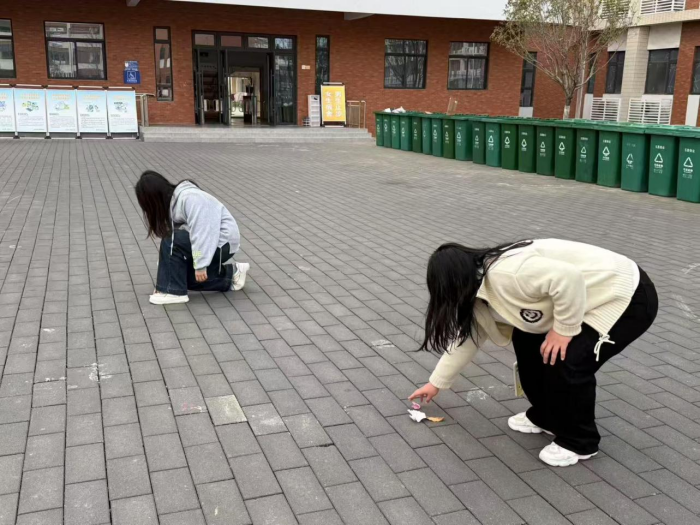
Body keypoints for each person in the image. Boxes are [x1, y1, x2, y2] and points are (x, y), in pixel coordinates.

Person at [408, 239, 657, 467]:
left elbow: (568, 278)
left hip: (623, 294)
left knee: (569, 360)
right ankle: (547, 417)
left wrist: (563, 330)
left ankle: (581, 441)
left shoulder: (508, 273)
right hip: (578, 296)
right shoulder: (477, 291)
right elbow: (467, 339)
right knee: (527, 343)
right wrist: (435, 383)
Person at [135, 170, 249, 305]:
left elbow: (203, 233)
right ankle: (233, 275)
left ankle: (174, 292)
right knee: (180, 277)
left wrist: (200, 264)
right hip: (209, 242)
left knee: (172, 241)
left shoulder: (191, 198)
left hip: (222, 243)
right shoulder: (174, 204)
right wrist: (167, 268)